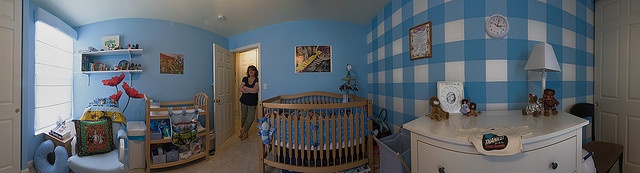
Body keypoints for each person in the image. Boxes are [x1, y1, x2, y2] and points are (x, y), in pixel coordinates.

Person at [239, 65, 259, 141]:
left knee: (250, 118)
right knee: (244, 117)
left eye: (252, 70)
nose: (251, 71)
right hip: (243, 101)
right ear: (248, 71)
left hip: (253, 102)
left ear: (255, 71)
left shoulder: (257, 79)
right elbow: (240, 89)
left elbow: (255, 91)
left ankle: (243, 130)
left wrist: (246, 88)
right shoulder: (244, 78)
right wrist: (251, 89)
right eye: (249, 70)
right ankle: (245, 134)